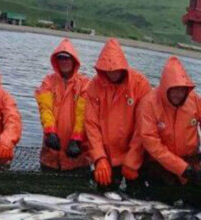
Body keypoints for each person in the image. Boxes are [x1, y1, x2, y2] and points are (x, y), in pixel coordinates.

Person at [84, 38, 151, 187]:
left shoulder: (140, 84)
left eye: (115, 69)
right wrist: (99, 158)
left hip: (136, 157)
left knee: (139, 197)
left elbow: (144, 126)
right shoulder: (94, 85)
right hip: (107, 158)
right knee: (104, 194)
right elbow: (91, 125)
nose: (112, 72)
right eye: (107, 69)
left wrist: (133, 160)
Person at [129, 56, 201, 185]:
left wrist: (190, 168)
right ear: (165, 87)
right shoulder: (149, 104)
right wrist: (182, 168)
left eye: (182, 89)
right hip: (160, 165)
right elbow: (151, 143)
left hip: (191, 163)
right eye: (174, 89)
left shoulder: (194, 100)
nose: (178, 94)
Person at [34, 39, 90, 171]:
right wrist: (50, 132)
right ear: (56, 61)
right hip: (51, 155)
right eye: (60, 58)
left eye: (67, 58)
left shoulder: (85, 84)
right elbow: (45, 109)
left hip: (77, 155)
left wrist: (76, 139)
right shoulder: (48, 81)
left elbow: (83, 114)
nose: (64, 61)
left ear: (74, 60)